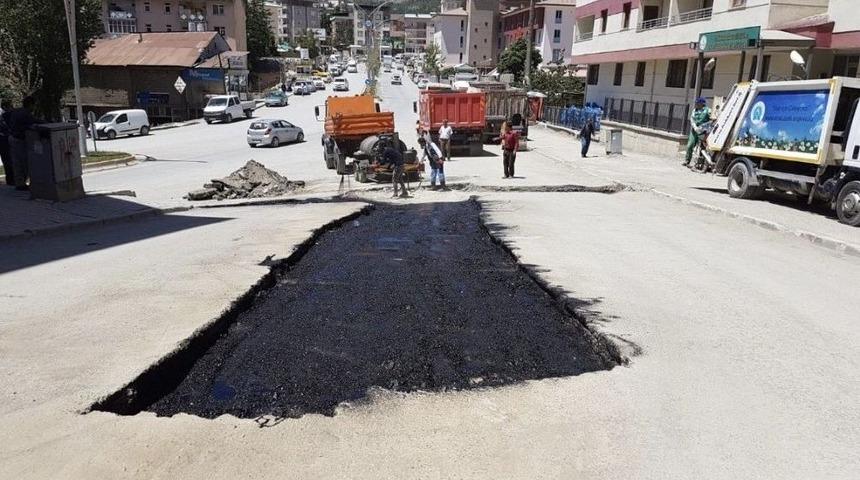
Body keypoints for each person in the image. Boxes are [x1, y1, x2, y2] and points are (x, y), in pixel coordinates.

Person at [8, 96, 41, 191]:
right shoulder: (25, 113)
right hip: (19, 140)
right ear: (30, 104)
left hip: (12, 138)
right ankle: (25, 183)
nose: (34, 107)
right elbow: (33, 121)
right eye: (33, 105)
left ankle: (19, 183)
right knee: (24, 162)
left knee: (16, 162)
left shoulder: (17, 111)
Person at [684, 97, 711, 167]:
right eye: (696, 103)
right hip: (694, 131)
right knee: (690, 145)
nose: (696, 104)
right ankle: (687, 160)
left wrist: (704, 126)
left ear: (702, 104)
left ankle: (702, 164)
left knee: (703, 148)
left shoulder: (707, 110)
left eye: (697, 103)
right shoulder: (694, 111)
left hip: (703, 132)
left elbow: (712, 120)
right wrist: (695, 127)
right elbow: (692, 119)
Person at [0, 99, 13, 186]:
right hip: (3, 140)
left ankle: (10, 180)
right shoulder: (4, 114)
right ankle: (11, 180)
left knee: (7, 161)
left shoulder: (4, 114)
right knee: (8, 161)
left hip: (4, 140)